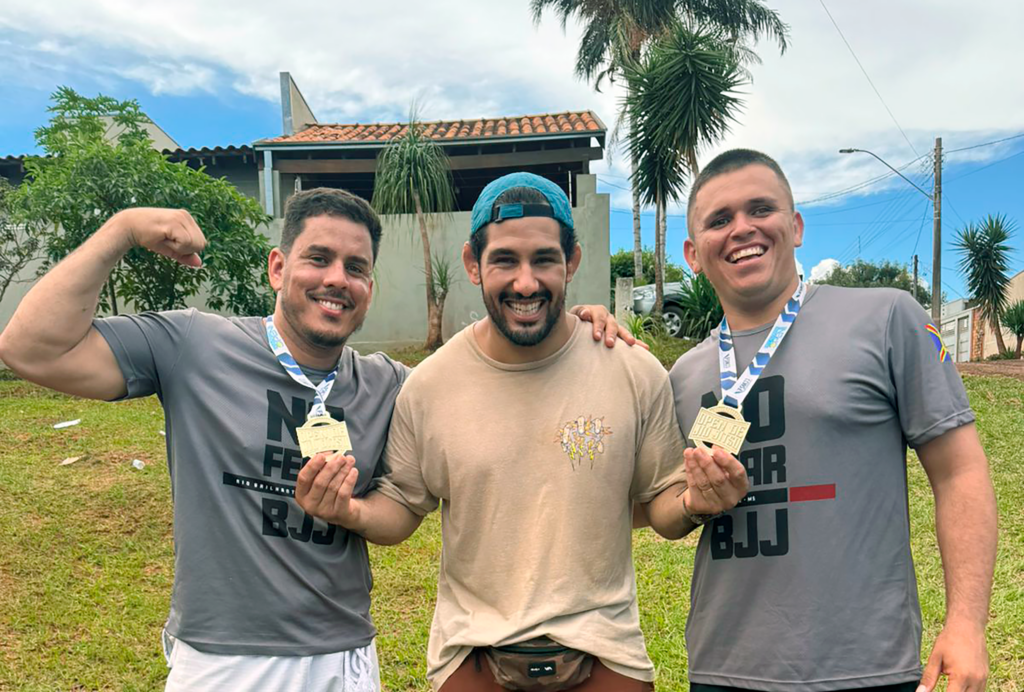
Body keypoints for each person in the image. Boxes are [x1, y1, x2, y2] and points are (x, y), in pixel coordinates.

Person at [0, 186, 631, 692]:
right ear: (279, 267)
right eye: (318, 258)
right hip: (221, 659)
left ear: (369, 291)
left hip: (345, 656)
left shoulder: (393, 385)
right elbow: (31, 348)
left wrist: (568, 327)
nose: (337, 278)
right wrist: (121, 230)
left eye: (356, 268)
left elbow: (491, 400)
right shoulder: (194, 345)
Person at [296, 172, 749, 692]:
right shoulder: (429, 386)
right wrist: (347, 510)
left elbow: (663, 508)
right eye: (505, 261)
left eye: (544, 260)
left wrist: (698, 500)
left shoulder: (632, 370)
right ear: (473, 264)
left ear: (571, 262)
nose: (526, 283)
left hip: (606, 656)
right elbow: (402, 506)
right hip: (472, 657)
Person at [668, 149, 997, 692]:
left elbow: (959, 471)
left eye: (761, 209)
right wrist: (691, 505)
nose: (742, 228)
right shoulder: (681, 375)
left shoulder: (888, 318)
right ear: (692, 253)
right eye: (719, 220)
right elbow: (653, 509)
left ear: (795, 226)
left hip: (867, 666)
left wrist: (966, 624)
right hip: (724, 668)